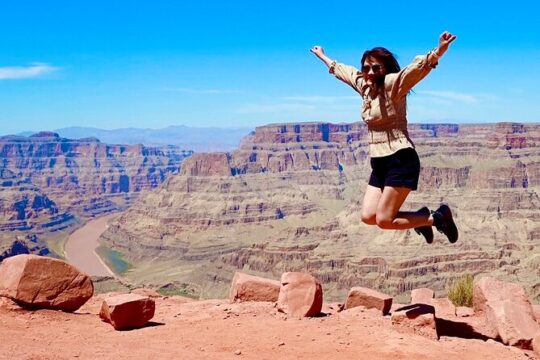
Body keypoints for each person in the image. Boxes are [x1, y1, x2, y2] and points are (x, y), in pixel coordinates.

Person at [310, 31, 458, 244]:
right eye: (366, 67)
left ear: (385, 69)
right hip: (379, 162)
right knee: (368, 217)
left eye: (376, 67)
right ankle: (421, 219)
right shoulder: (365, 87)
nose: (370, 72)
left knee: (384, 220)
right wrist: (323, 56)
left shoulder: (393, 84)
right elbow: (346, 72)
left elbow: (414, 70)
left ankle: (436, 218)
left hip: (400, 159)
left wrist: (438, 52)